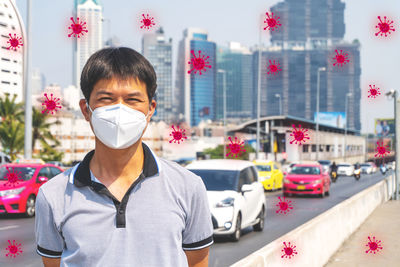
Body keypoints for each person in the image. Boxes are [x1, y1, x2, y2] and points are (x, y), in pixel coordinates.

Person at [35, 47, 213, 267]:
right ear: (86, 109)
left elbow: (197, 262)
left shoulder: (187, 187)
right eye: (106, 98)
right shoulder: (53, 195)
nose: (120, 110)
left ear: (150, 109)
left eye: (132, 100)